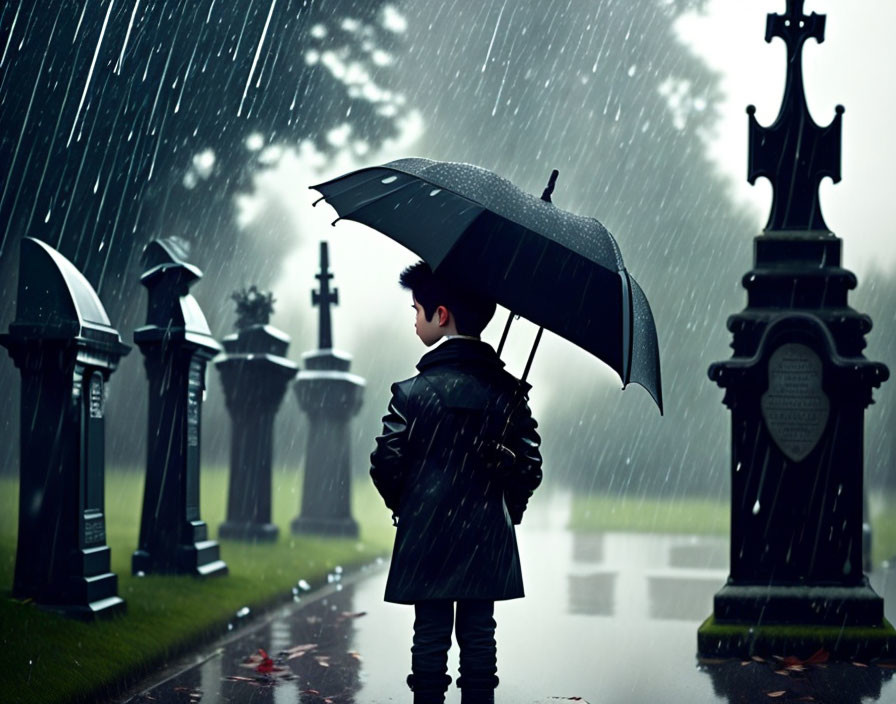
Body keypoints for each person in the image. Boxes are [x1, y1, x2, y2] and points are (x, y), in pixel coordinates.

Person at [369, 260, 543, 704]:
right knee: (480, 638)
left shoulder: (411, 392)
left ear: (441, 314)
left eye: (417, 309)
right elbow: (529, 467)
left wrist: (406, 505)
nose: (414, 318)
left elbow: (386, 460)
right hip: (486, 532)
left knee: (429, 637)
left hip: (426, 531)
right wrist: (507, 504)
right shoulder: (507, 395)